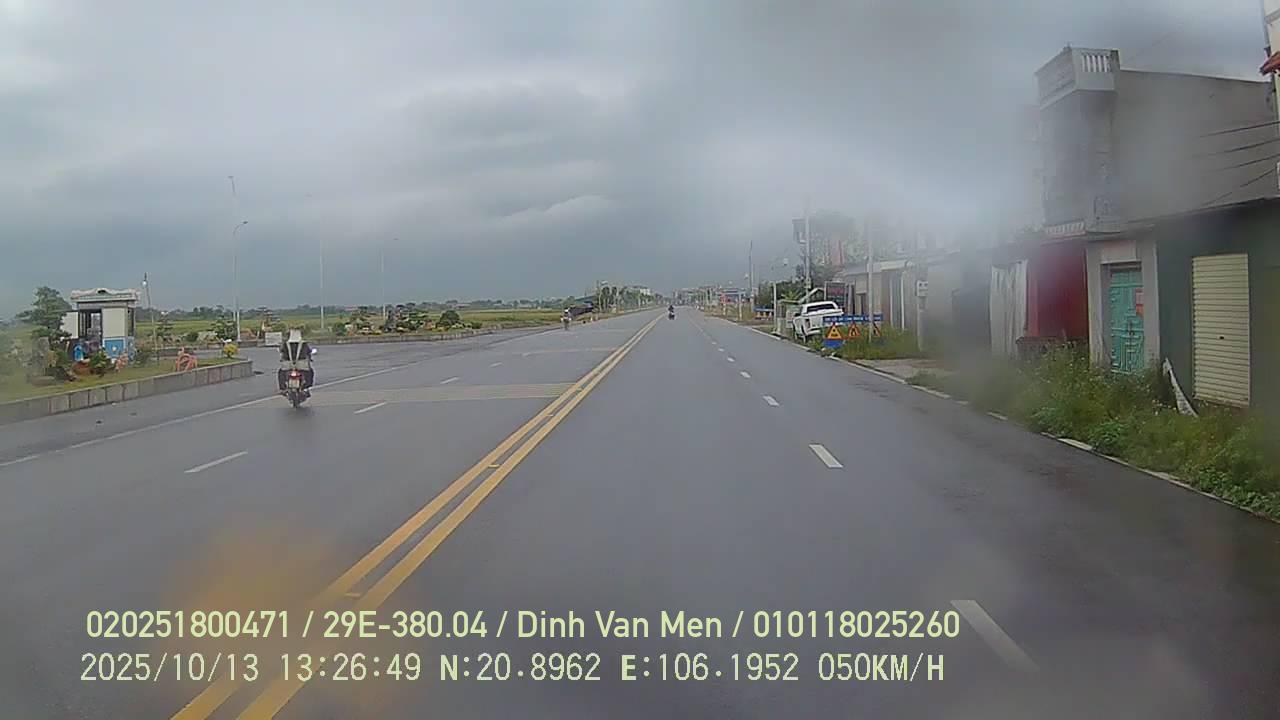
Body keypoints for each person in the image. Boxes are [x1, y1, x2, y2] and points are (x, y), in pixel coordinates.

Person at [277, 329, 315, 394]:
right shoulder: (304, 344)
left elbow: (282, 352)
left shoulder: (285, 344)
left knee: (281, 372)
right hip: (302, 364)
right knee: (310, 372)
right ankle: (306, 387)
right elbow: (308, 352)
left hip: (288, 364)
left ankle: (283, 388)